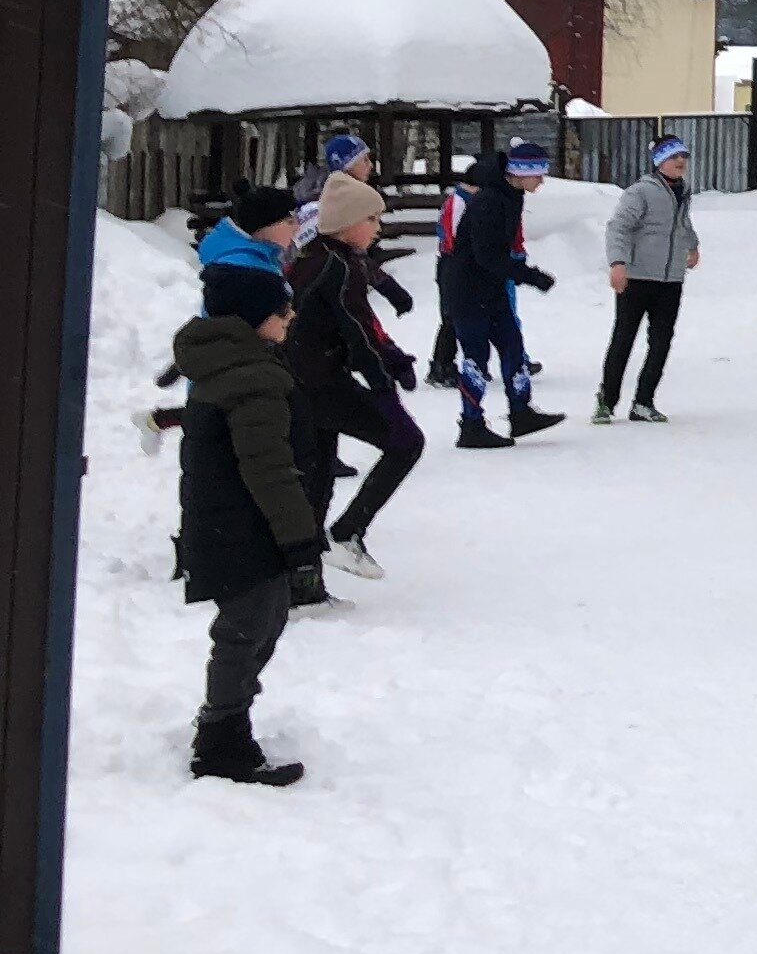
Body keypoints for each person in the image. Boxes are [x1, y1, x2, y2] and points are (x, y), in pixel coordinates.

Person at [173, 257, 330, 785]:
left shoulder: (237, 367)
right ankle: (222, 742)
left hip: (234, 524)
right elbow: (268, 468)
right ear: (250, 318)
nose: (290, 315)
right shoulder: (251, 378)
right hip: (243, 528)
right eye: (279, 309)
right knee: (247, 629)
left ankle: (224, 726)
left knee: (262, 623)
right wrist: (299, 537)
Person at [284, 168, 425, 579]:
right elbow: (358, 330)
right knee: (406, 442)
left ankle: (304, 584)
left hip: (305, 377)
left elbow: (358, 327)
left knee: (317, 477)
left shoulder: (321, 258)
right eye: (372, 220)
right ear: (348, 225)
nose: (378, 229)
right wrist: (384, 389)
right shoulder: (337, 267)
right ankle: (347, 533)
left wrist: (393, 359)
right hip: (318, 380)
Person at [434, 138, 565, 448]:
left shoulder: (511, 195)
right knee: (476, 356)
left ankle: (521, 413)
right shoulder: (490, 201)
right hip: (467, 288)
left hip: (489, 287)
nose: (542, 180)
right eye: (538, 174)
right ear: (521, 173)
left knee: (512, 345)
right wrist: (529, 275)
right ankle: (471, 425)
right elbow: (487, 255)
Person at [599, 133, 701, 422]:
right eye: (673, 156)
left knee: (661, 341)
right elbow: (618, 227)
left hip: (670, 279)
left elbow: (681, 223)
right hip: (637, 277)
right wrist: (618, 263)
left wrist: (692, 245)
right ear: (659, 162)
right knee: (624, 338)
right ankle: (606, 401)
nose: (680, 161)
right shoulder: (640, 192)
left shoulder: (683, 191)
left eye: (683, 156)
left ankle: (643, 401)